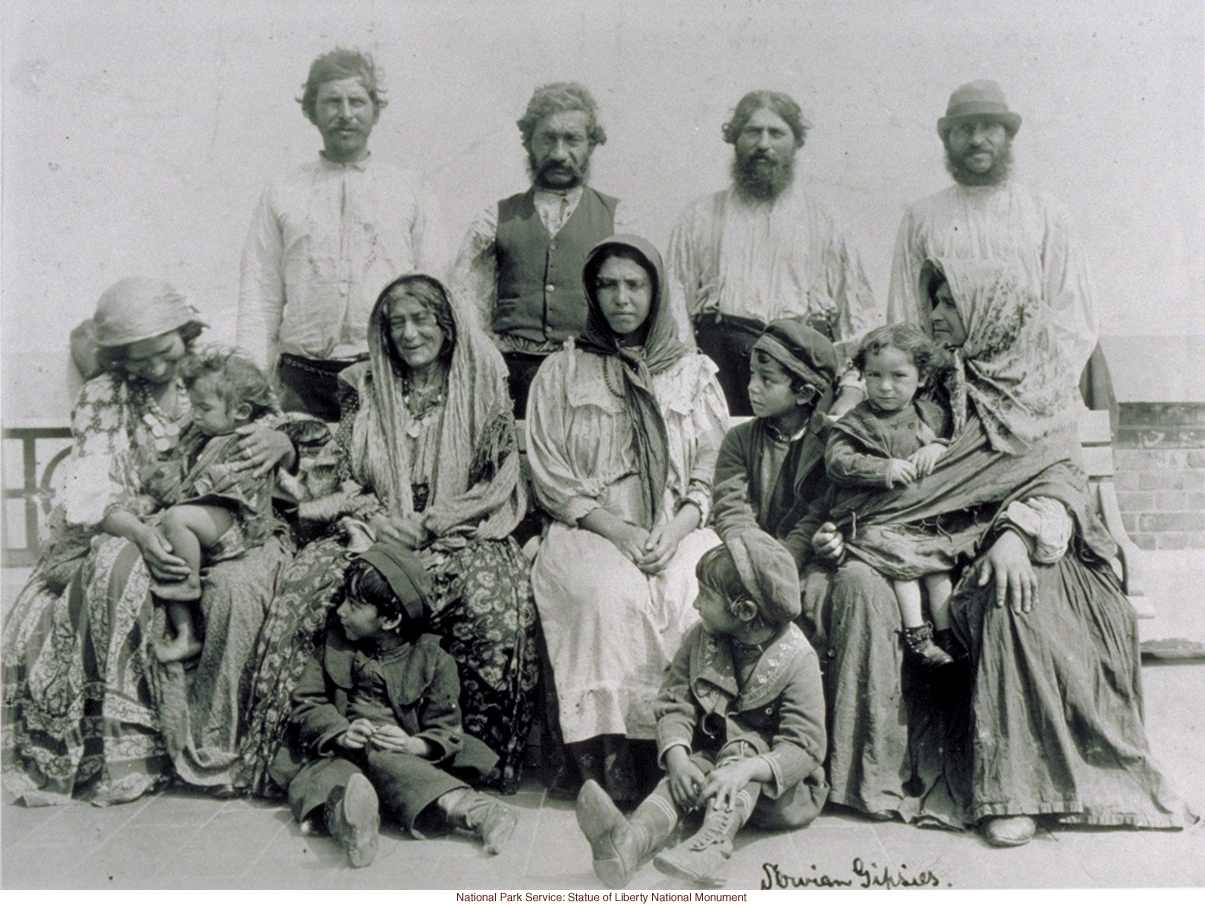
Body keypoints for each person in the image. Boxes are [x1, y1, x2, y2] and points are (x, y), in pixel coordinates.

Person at [816, 257, 1194, 845]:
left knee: (1012, 596)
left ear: (990, 312)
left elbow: (1062, 477)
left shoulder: (1040, 381)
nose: (935, 315)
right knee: (904, 587)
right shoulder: (936, 380)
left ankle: (1018, 792)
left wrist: (1018, 532)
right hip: (940, 540)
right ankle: (905, 778)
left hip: (1040, 539)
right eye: (934, 302)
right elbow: (884, 456)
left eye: (949, 304)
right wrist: (856, 525)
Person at [237, 273, 537, 797]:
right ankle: (313, 751)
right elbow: (349, 472)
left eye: (421, 319)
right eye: (395, 322)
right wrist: (376, 520)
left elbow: (499, 479)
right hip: (374, 523)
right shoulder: (363, 386)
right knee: (309, 583)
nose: (409, 333)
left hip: (463, 528)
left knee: (494, 608)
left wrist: (432, 523)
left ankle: (470, 769)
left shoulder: (483, 384)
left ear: (446, 325)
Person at [2, 278, 297, 805]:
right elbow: (96, 494)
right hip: (141, 522)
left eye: (164, 352)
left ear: (185, 332)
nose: (157, 369)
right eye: (139, 361)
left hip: (236, 520)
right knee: (119, 569)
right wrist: (140, 531)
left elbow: (273, 425)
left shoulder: (220, 369)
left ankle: (218, 745)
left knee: (233, 586)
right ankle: (127, 750)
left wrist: (282, 441)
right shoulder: (104, 396)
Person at [526, 234, 728, 804]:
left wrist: (681, 524)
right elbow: (551, 473)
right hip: (592, 524)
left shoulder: (691, 373)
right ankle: (611, 769)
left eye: (634, 285)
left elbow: (711, 467)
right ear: (591, 293)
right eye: (608, 285)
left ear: (656, 292)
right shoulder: (562, 372)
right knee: (604, 594)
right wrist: (618, 529)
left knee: (692, 591)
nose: (621, 298)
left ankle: (684, 754)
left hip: (675, 523)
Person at [574, 531, 827, 888]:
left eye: (706, 596)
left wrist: (747, 770)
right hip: (712, 768)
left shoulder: (797, 659)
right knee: (684, 772)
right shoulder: (701, 638)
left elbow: (806, 747)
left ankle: (713, 847)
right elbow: (675, 702)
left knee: (744, 749)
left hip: (777, 791)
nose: (695, 605)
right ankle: (631, 842)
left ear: (745, 611)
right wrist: (678, 759)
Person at [238, 47, 449, 421]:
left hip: (386, 375)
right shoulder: (282, 190)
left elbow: (435, 292)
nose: (345, 114)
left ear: (375, 111)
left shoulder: (411, 189)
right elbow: (260, 298)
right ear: (312, 111)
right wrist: (250, 383)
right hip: (301, 383)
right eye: (332, 102)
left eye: (357, 101)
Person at [275, 542, 517, 868]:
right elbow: (307, 702)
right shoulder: (334, 649)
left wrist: (414, 744)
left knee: (387, 759)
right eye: (344, 599)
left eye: (354, 604)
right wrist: (340, 732)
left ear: (390, 618)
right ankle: (355, 829)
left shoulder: (432, 660)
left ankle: (477, 812)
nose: (341, 610)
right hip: (343, 755)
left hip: (403, 765)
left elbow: (446, 727)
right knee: (323, 782)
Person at [887, 79, 1115, 423]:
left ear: (1007, 136)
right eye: (965, 129)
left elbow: (1075, 317)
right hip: (950, 393)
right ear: (948, 140)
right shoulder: (923, 218)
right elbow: (905, 316)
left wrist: (1031, 386)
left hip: (1032, 391)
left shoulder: (1045, 213)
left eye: (989, 127)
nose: (977, 139)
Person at [667, 90, 879, 417]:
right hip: (721, 381)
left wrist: (851, 391)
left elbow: (857, 317)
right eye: (752, 132)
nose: (763, 144)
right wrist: (687, 387)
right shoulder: (700, 216)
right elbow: (676, 308)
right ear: (735, 139)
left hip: (805, 381)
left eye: (776, 133)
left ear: (795, 143)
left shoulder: (827, 222)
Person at [450, 82, 640, 416]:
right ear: (528, 142)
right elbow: (466, 308)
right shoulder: (494, 219)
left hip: (590, 380)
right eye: (548, 139)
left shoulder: (618, 220)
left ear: (592, 144)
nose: (558, 154)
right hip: (511, 380)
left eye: (572, 140)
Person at [824, 324, 957, 669]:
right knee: (905, 566)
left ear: (922, 378)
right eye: (874, 375)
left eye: (898, 375)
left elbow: (955, 447)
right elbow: (838, 462)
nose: (885, 386)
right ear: (863, 377)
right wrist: (882, 469)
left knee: (938, 567)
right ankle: (918, 636)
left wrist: (938, 449)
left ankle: (949, 636)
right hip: (871, 519)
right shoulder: (857, 421)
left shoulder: (930, 416)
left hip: (916, 517)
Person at [145, 349, 284, 662]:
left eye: (204, 408)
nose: (195, 414)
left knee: (176, 519)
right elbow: (180, 476)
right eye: (193, 406)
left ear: (241, 410)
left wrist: (177, 496)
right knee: (167, 546)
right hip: (209, 515)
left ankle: (190, 583)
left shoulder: (247, 438)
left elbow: (217, 485)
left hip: (241, 520)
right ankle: (186, 635)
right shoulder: (201, 435)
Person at [710, 316, 838, 575]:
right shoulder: (739, 439)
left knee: (817, 597)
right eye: (752, 374)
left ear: (804, 394)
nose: (751, 387)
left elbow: (817, 514)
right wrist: (758, 558)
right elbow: (732, 508)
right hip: (751, 555)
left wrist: (787, 561)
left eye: (766, 380)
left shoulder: (830, 441)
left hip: (806, 555)